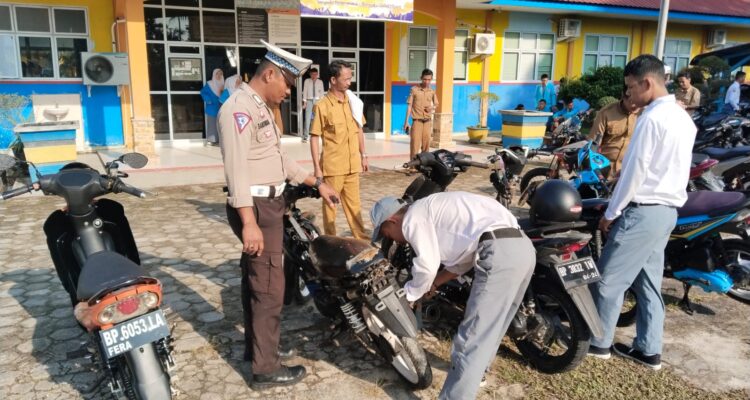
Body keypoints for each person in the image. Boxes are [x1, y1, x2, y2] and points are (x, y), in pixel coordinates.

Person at [217, 40, 339, 389]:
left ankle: (255, 350)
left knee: (255, 281)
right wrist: (250, 222)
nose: (289, 91)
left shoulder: (259, 108)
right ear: (268, 74)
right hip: (256, 208)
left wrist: (316, 182)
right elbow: (237, 171)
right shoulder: (238, 109)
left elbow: (279, 160)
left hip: (269, 205)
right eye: (286, 82)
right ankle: (265, 369)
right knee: (269, 288)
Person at [370, 192, 535, 399]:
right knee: (494, 326)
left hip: (498, 253)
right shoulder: (430, 208)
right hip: (522, 248)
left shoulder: (413, 218)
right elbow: (462, 261)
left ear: (392, 220)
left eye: (386, 234)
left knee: (470, 338)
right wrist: (436, 282)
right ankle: (476, 373)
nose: (392, 240)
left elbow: (426, 267)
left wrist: (409, 295)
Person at [587, 55, 696, 370]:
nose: (629, 94)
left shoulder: (651, 119)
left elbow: (634, 171)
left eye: (630, 87)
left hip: (643, 211)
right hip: (666, 212)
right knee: (648, 283)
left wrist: (612, 211)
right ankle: (649, 350)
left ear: (647, 83)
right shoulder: (682, 118)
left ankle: (599, 342)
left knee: (608, 282)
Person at [309, 60, 369, 240]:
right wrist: (317, 169)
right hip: (333, 168)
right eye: (346, 79)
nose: (349, 82)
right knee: (331, 209)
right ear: (333, 80)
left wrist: (363, 155)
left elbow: (359, 129)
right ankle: (331, 244)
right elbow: (314, 138)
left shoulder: (353, 102)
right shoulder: (322, 106)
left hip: (352, 166)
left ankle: (363, 244)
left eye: (350, 78)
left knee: (354, 208)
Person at [587, 93, 640, 175]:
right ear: (623, 97)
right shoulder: (606, 113)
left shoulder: (644, 114)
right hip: (605, 170)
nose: (635, 106)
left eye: (638, 102)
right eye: (632, 102)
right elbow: (593, 146)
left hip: (627, 172)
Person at [403, 68, 439, 161]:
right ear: (421, 78)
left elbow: (436, 104)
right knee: (415, 145)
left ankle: (424, 167)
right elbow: (409, 106)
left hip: (427, 122)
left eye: (429, 79)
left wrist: (432, 108)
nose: (427, 81)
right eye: (425, 79)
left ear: (431, 79)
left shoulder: (432, 91)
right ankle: (413, 167)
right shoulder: (414, 90)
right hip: (417, 121)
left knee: (426, 146)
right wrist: (406, 122)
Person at [200, 68, 224, 146]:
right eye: (217, 74)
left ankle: (220, 140)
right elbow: (203, 92)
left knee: (221, 124)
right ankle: (212, 141)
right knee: (212, 125)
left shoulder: (223, 84)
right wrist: (208, 100)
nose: (219, 75)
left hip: (221, 107)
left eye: (221, 74)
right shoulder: (209, 84)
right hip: (212, 108)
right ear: (214, 74)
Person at [302, 68, 325, 143]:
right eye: (312, 74)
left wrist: (322, 103)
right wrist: (304, 102)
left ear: (317, 74)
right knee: (308, 118)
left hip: (318, 101)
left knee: (316, 118)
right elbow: (305, 92)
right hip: (309, 101)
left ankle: (316, 134)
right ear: (310, 74)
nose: (314, 76)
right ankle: (306, 136)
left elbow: (322, 93)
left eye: (315, 74)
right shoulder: (307, 81)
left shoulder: (320, 82)